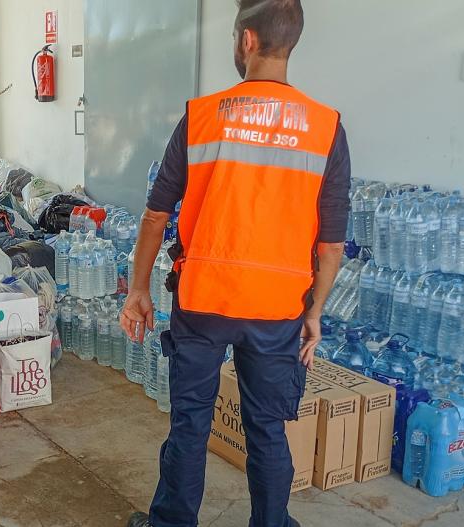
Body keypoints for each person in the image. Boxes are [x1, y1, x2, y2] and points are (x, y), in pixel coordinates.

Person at [122, 2, 350, 527]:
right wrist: (314, 313)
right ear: (289, 42)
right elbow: (331, 247)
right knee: (267, 428)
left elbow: (157, 216)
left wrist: (138, 289)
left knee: (190, 425)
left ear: (247, 40)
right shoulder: (326, 128)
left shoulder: (202, 117)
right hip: (276, 311)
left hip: (204, 299)